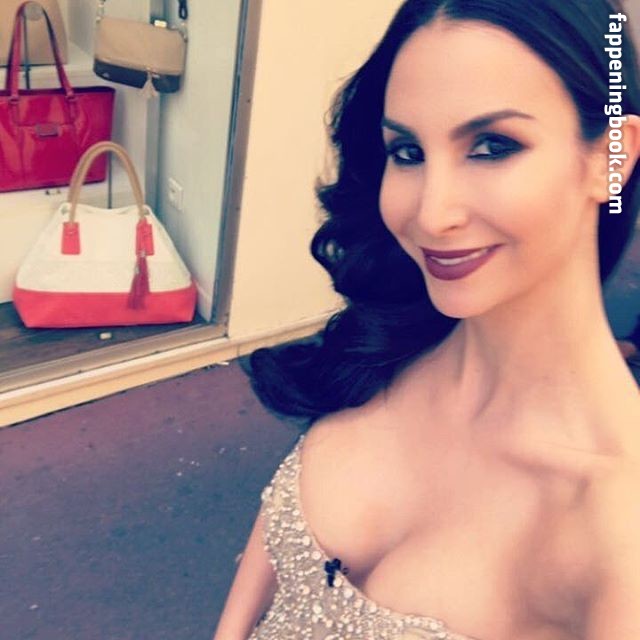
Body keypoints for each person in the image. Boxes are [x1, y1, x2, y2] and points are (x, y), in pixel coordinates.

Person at [213, 1, 640, 638]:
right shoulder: (380, 351)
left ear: (611, 159)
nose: (432, 215)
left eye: (492, 147)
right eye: (408, 152)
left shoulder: (617, 528)